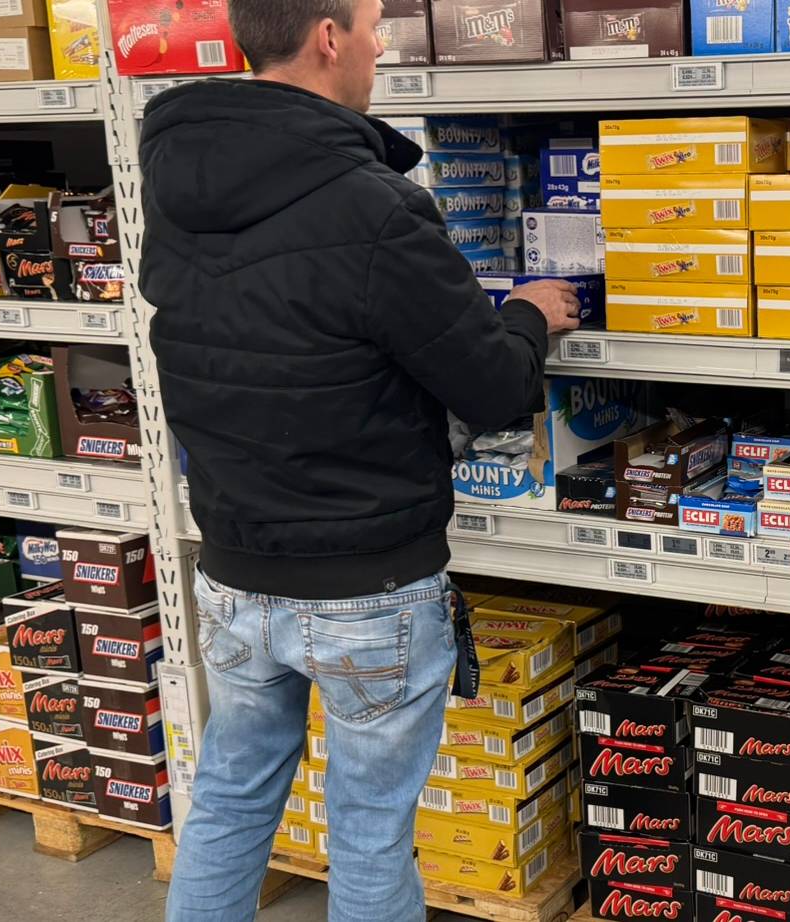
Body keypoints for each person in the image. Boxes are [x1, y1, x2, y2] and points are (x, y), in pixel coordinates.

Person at [137, 1, 582, 919]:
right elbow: (495, 388)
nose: (383, 45)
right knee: (371, 828)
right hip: (368, 585)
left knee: (226, 798)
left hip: (233, 573)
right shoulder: (374, 205)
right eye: (376, 24)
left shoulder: (174, 180)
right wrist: (530, 314)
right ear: (328, 38)